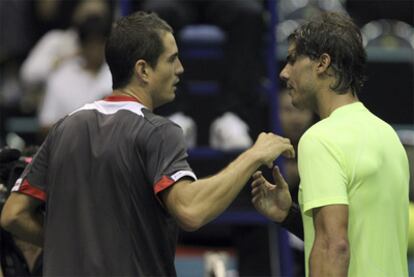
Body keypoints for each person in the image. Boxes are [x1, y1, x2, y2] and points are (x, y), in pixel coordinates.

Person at [0, 11, 294, 276]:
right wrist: (253, 155)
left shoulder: (64, 127)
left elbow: (14, 214)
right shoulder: (158, 132)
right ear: (143, 70)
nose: (180, 68)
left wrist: (73, 248)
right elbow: (191, 211)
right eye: (171, 59)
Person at [251, 12, 409, 276]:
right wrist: (288, 216)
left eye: (292, 60)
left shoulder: (320, 139)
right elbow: (355, 238)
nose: (283, 72)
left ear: (322, 63)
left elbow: (332, 247)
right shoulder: (388, 136)